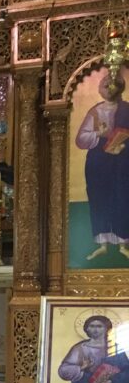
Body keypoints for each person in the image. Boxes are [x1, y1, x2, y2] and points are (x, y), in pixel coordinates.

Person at [74, 68, 129, 261]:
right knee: (100, 199)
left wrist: (122, 143)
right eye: (105, 85)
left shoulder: (127, 110)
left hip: (123, 162)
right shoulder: (95, 111)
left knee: (122, 198)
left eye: (111, 85)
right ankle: (102, 244)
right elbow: (81, 139)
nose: (107, 89)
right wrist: (99, 133)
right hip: (99, 163)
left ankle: (123, 243)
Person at [57, 315, 129, 383]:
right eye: (92, 326)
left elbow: (126, 370)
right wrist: (81, 368)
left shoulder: (114, 348)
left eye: (99, 326)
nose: (95, 329)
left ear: (107, 329)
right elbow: (63, 370)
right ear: (87, 329)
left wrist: (112, 376)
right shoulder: (79, 348)